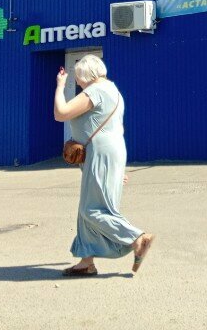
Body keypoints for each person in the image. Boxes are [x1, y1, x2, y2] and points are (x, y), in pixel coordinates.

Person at [53, 55, 155, 276]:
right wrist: (116, 168)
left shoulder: (95, 91)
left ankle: (137, 238)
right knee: (88, 208)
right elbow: (117, 128)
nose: (77, 82)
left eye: (78, 77)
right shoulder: (113, 90)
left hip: (99, 153)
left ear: (86, 75)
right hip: (109, 152)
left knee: (91, 210)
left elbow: (61, 113)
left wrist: (60, 86)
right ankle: (86, 262)